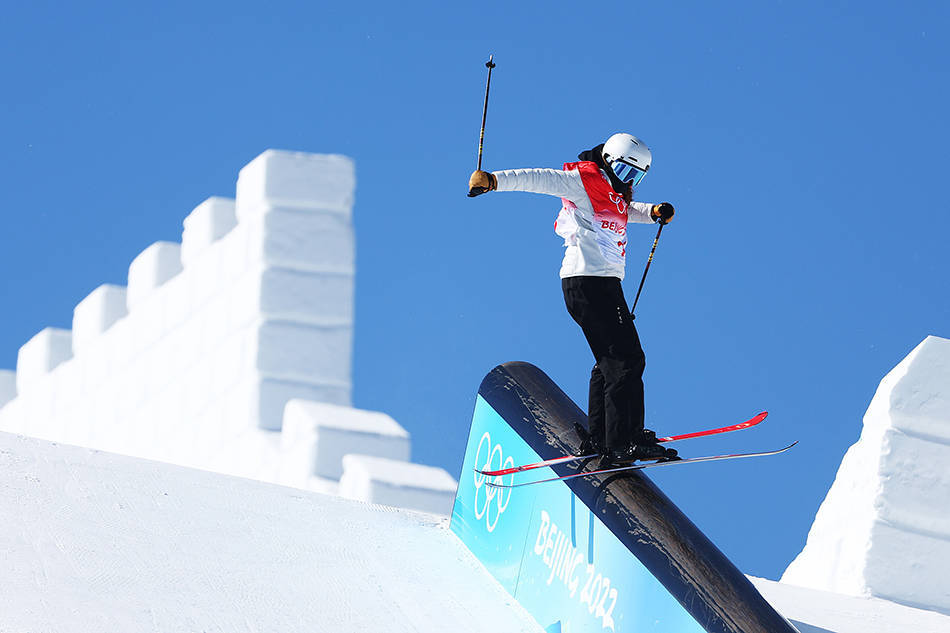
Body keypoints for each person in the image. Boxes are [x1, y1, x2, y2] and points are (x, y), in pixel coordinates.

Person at [467, 133, 677, 464]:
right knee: (627, 359)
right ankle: (625, 439)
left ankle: (602, 437)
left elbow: (623, 210)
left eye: (636, 176)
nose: (628, 181)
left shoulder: (613, 193)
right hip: (589, 281)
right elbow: (540, 179)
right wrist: (493, 181)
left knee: (608, 361)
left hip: (599, 284)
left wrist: (651, 212)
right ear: (608, 160)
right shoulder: (583, 180)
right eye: (624, 172)